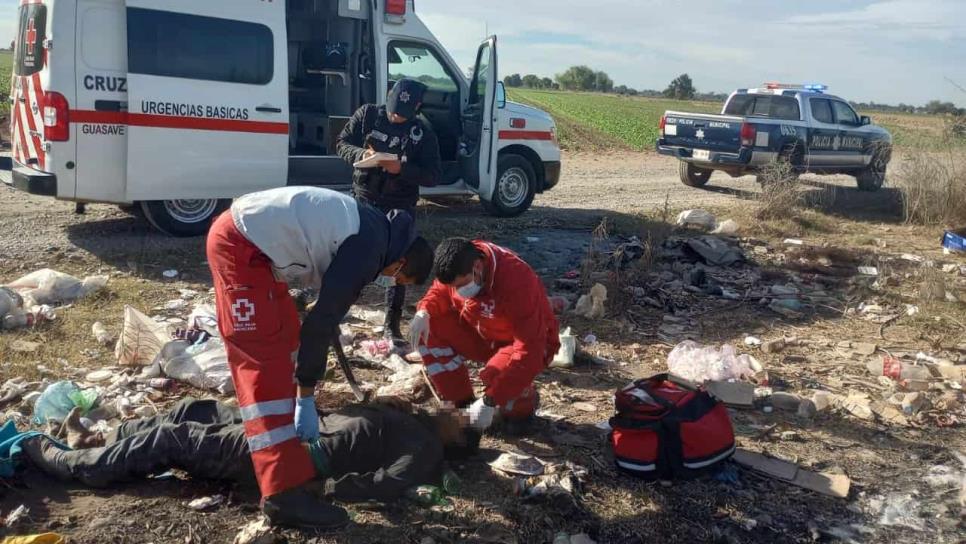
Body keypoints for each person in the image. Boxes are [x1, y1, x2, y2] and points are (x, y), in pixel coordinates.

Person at [205, 187, 434, 529]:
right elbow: (320, 324)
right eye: (399, 277)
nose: (392, 281)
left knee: (283, 339)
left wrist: (322, 314)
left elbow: (322, 299)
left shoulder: (376, 229)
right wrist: (306, 397)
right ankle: (281, 495)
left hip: (255, 247)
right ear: (400, 262)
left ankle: (288, 468)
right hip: (241, 247)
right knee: (263, 364)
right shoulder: (369, 251)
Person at [18, 398, 477, 519]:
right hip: (292, 425)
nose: (453, 411)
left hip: (290, 455)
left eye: (461, 420)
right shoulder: (407, 416)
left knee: (177, 438)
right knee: (193, 410)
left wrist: (329, 488)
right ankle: (105, 439)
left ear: (456, 440)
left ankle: (76, 465)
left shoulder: (425, 448)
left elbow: (389, 482)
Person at [410, 239, 561, 433]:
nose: (458, 292)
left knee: (495, 375)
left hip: (521, 342)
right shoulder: (456, 263)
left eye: (461, 285)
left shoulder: (517, 281)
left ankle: (522, 410)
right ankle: (463, 402)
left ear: (478, 267)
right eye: (453, 287)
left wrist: (490, 400)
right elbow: (438, 292)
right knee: (427, 329)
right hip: (482, 333)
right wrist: (424, 311)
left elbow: (530, 349)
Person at [337, 78, 442, 347]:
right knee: (349, 257)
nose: (396, 117)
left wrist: (403, 170)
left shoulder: (423, 132)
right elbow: (341, 143)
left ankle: (391, 325)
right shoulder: (367, 115)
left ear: (417, 107)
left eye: (404, 114)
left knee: (398, 265)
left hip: (400, 205)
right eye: (394, 110)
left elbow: (432, 175)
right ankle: (335, 311)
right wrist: (361, 156)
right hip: (364, 199)